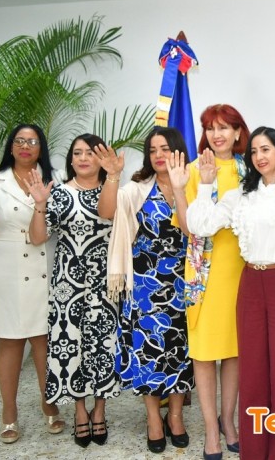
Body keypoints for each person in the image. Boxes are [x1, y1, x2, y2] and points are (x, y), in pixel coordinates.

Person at [186, 126, 275, 460]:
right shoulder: (239, 197)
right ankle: (255, 451)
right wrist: (206, 185)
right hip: (250, 286)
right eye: (255, 151)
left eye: (266, 149)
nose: (260, 156)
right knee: (253, 374)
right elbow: (200, 226)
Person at [0, 124, 66, 443]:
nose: (25, 146)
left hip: (45, 264)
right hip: (7, 269)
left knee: (44, 341)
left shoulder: (56, 178)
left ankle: (50, 404)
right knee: (10, 342)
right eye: (19, 140)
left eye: (32, 141)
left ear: (41, 146)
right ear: (11, 146)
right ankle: (9, 413)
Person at [97, 126, 194, 454]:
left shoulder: (193, 185)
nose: (158, 155)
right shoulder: (137, 189)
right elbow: (107, 213)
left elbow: (197, 231)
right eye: (152, 150)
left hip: (185, 285)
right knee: (148, 354)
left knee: (181, 352)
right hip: (145, 287)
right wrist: (112, 176)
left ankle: (175, 415)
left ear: (178, 150)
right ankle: (153, 417)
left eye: (164, 148)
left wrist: (181, 188)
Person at [26, 133, 120, 448]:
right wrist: (40, 205)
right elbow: (37, 238)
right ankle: (80, 410)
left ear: (101, 158)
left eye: (90, 153)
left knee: (104, 345)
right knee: (71, 346)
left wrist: (112, 177)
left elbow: (107, 213)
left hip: (106, 282)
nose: (82, 158)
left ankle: (100, 410)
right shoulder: (59, 192)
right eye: (77, 153)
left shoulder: (114, 188)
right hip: (68, 284)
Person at [169, 104, 250, 457]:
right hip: (204, 272)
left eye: (224, 127)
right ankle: (210, 430)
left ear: (237, 132)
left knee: (234, 351)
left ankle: (228, 421)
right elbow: (188, 227)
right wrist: (178, 189)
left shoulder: (250, 169)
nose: (217, 135)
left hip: (242, 271)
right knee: (203, 354)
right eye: (210, 128)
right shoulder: (192, 169)